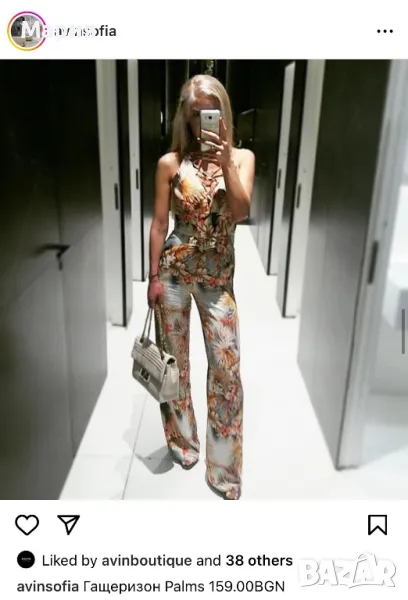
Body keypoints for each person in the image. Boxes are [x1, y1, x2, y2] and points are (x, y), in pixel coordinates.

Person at [147, 74, 255, 500]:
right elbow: (160, 224)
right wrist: (153, 277)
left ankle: (225, 470)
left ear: (223, 113)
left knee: (227, 370)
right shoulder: (170, 163)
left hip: (218, 279)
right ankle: (183, 443)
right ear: (186, 118)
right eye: (196, 115)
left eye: (212, 113)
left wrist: (225, 161)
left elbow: (241, 211)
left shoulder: (242, 158)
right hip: (174, 273)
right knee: (175, 364)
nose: (203, 122)